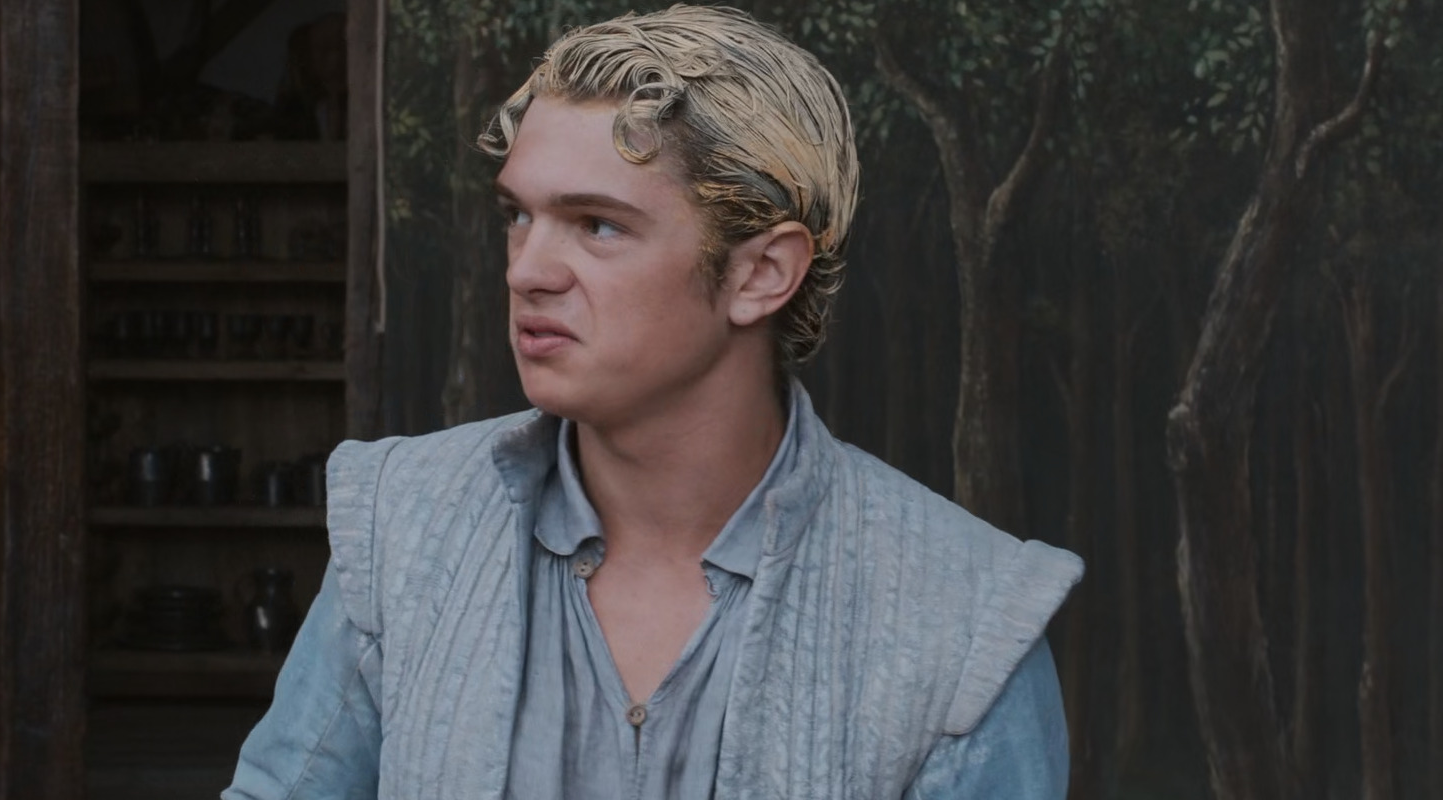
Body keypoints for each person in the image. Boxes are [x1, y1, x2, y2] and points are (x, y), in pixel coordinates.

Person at [224, 6, 1082, 798]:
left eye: (597, 224)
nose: (527, 270)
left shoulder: (965, 621)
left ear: (761, 272)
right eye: (518, 216)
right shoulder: (405, 528)